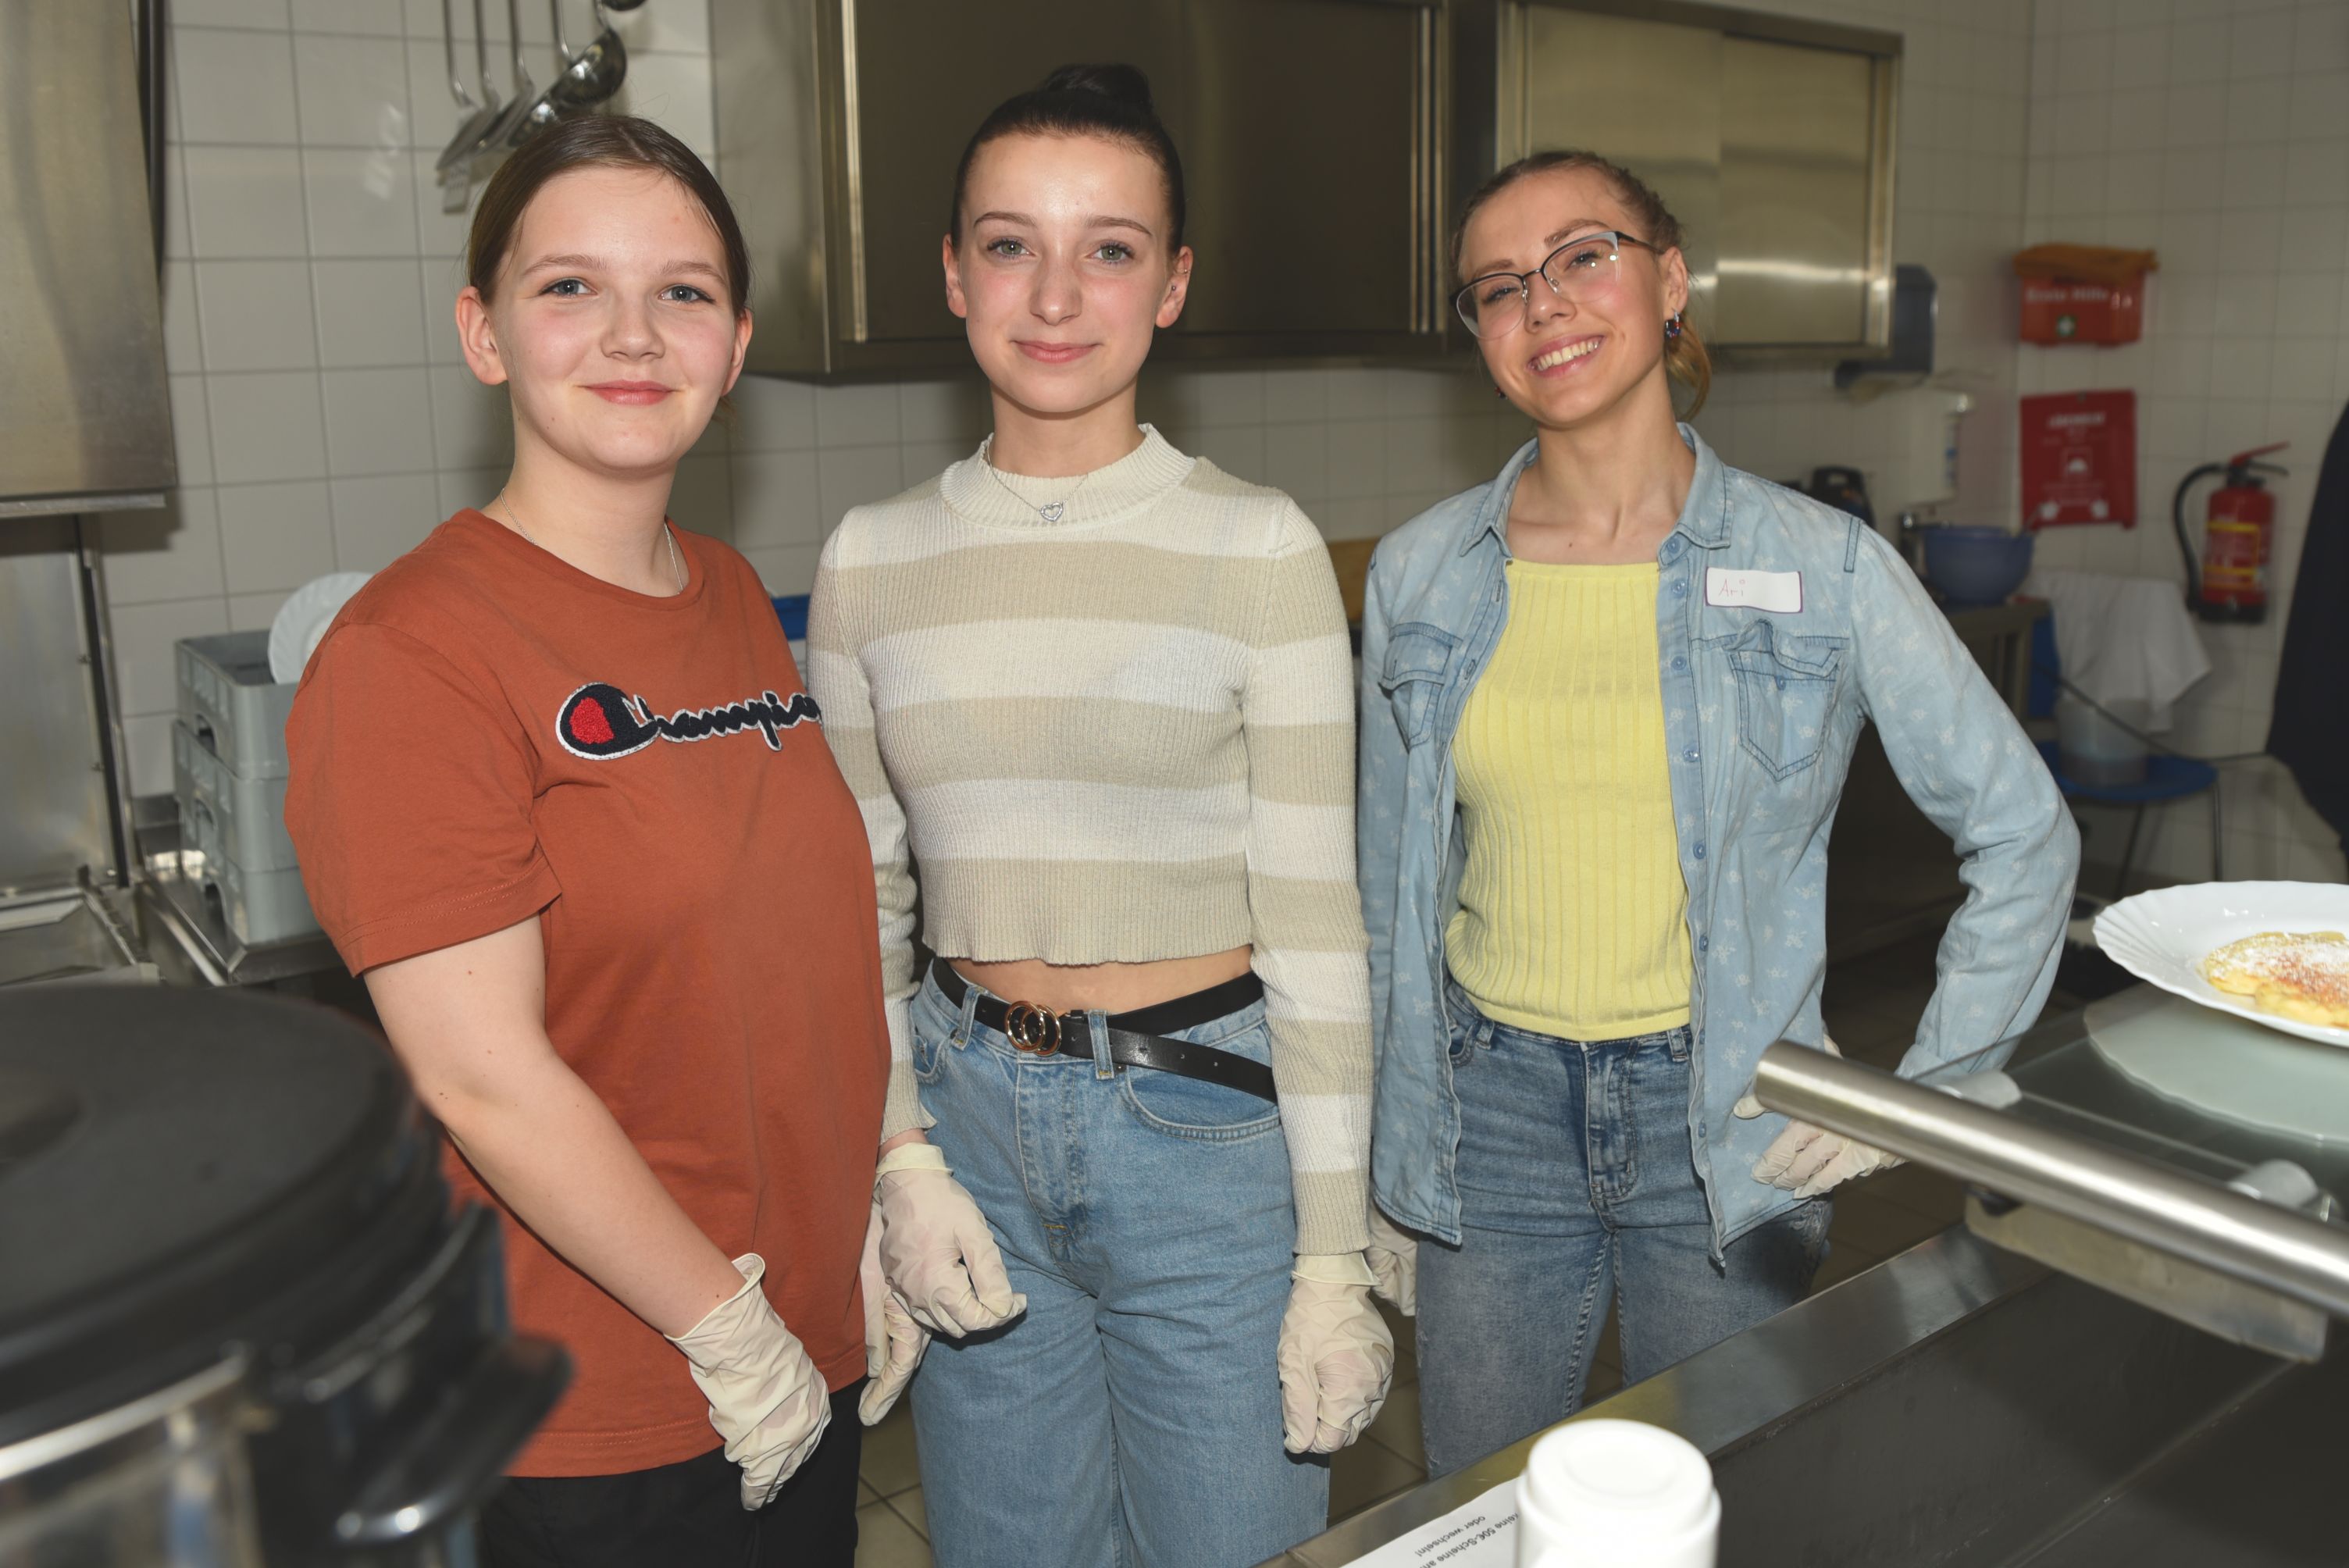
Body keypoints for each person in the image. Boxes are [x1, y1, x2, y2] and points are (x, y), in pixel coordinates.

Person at [1354, 150, 2079, 1476]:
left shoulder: (1823, 565)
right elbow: (1384, 893)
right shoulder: (1421, 576)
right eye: (1500, 287)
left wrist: (1917, 1096)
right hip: (1488, 1117)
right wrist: (1384, 1157)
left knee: (1721, 1498)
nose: (1544, 304)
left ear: (1670, 279)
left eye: (1583, 257)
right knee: (1486, 1509)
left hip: (1730, 1117)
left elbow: (2025, 832)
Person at [284, 115, 917, 1567]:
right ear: (485, 333)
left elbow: (789, 952)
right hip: (604, 1408)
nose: (634, 334)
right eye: (570, 286)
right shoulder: (410, 654)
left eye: (683, 292)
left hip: (799, 1341)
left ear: (735, 347)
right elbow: (479, 1073)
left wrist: (887, 1177)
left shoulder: (730, 592)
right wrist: (728, 1327)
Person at [808, 63, 1393, 1568]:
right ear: (954, 273)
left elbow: (1316, 926)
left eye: (1110, 249)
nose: (1057, 295)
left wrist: (1334, 1253)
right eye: (1011, 244)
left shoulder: (1259, 551)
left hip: (1204, 1133)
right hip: (967, 1127)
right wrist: (896, 1159)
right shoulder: (869, 561)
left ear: (1172, 284)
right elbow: (862, 903)